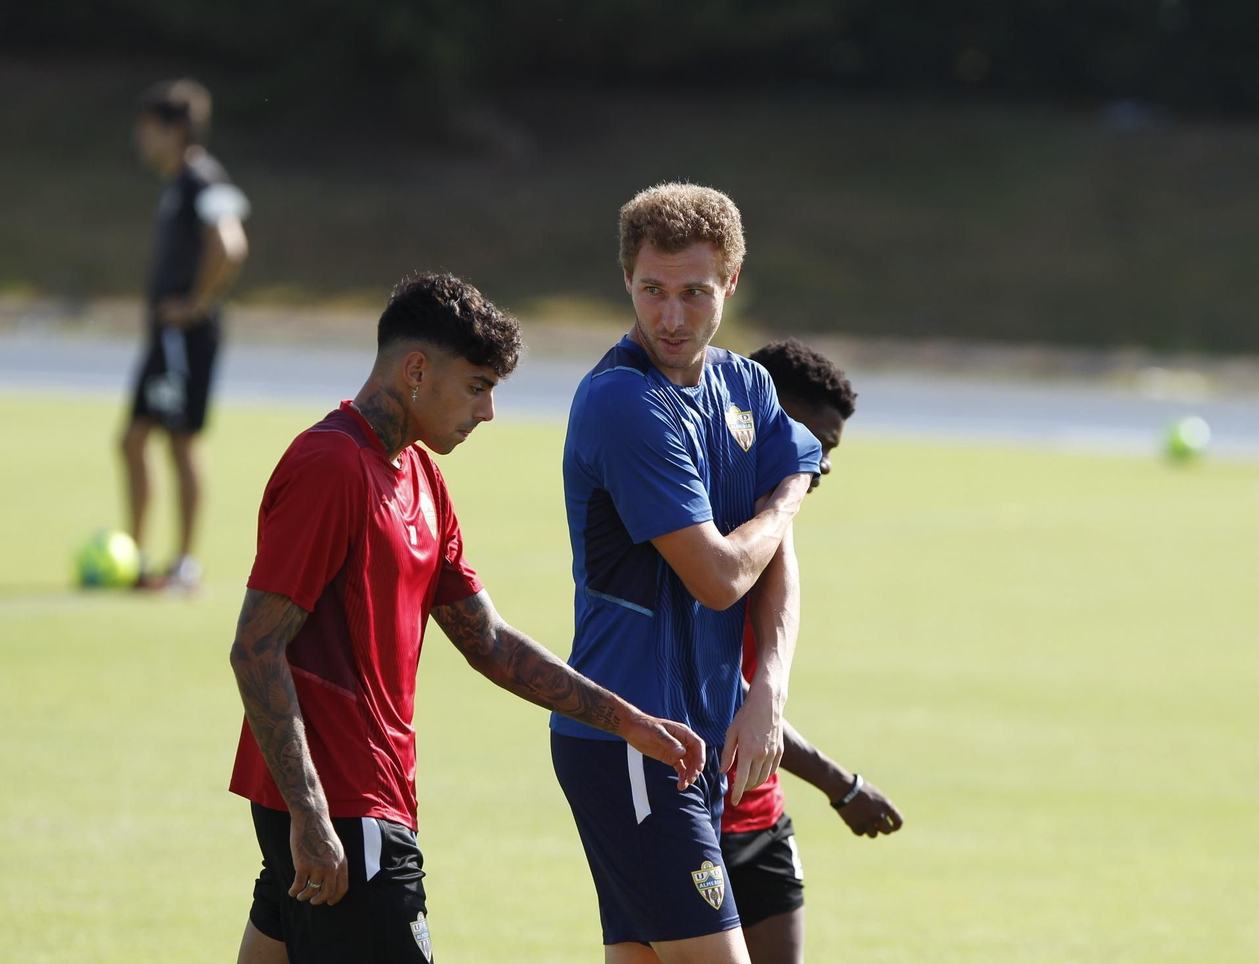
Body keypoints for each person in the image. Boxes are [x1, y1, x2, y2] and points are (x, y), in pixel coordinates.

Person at [228, 272, 706, 964]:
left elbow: (490, 643)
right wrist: (310, 813)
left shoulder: (421, 478)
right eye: (477, 386)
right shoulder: (331, 465)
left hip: (355, 806)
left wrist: (628, 721)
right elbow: (255, 646)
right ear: (416, 370)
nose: (488, 412)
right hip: (344, 812)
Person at [552, 183, 824, 964]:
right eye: (652, 290)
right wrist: (787, 497)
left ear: (731, 282)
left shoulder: (747, 386)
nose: (671, 317)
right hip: (633, 739)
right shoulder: (623, 402)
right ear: (626, 281)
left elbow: (775, 560)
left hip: (695, 744)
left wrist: (768, 689)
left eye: (695, 292)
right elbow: (721, 576)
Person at [721, 339, 904, 964]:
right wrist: (841, 786)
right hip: (689, 818)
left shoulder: (777, 519)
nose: (822, 465)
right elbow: (719, 690)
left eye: (831, 451)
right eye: (815, 442)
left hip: (759, 817)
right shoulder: (706, 527)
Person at [123, 78, 251, 589]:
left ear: (173, 129)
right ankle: (134, 559)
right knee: (134, 440)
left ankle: (182, 565)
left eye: (147, 128)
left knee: (177, 442)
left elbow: (230, 245)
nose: (141, 139)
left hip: (185, 337)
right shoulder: (177, 183)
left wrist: (196, 304)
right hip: (167, 337)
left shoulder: (203, 179)